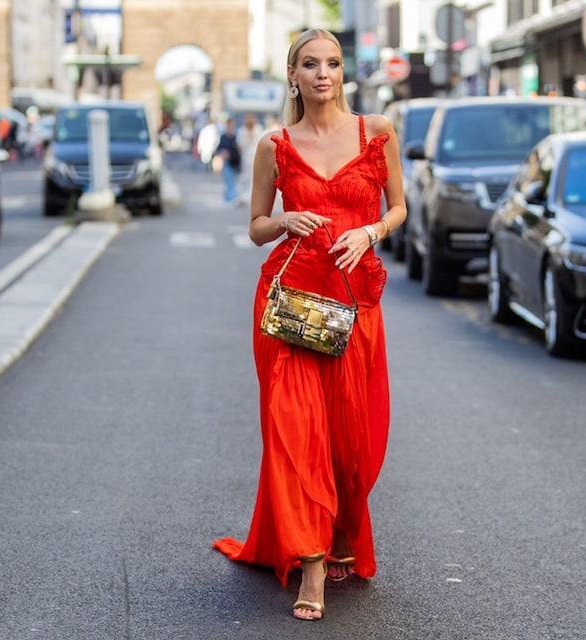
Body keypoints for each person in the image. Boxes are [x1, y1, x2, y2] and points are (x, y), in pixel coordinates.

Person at [213, 28, 406, 621]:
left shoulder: (376, 133)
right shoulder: (275, 146)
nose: (323, 73)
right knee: (297, 434)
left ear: (343, 71)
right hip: (291, 305)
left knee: (355, 440)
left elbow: (398, 208)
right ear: (292, 75)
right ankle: (313, 564)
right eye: (310, 64)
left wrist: (370, 231)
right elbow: (255, 226)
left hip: (355, 303)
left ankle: (345, 526)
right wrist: (284, 220)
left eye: (333, 63)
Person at [236, 113, 264, 204]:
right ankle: (245, 196)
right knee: (245, 176)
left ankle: (251, 196)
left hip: (255, 156)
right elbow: (240, 144)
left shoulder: (258, 129)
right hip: (246, 157)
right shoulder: (242, 130)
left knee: (253, 177)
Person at [214, 116, 240, 203]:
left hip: (234, 160)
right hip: (226, 161)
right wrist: (223, 153)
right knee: (228, 178)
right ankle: (229, 196)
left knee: (232, 179)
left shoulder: (235, 136)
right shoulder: (224, 137)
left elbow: (238, 149)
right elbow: (219, 148)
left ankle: (231, 196)